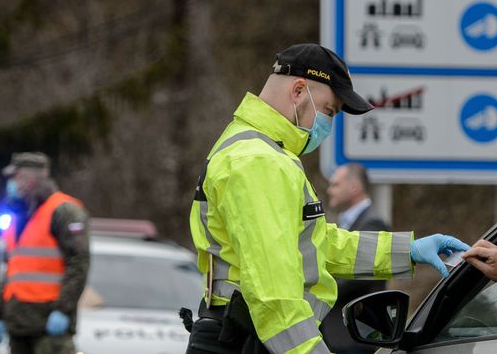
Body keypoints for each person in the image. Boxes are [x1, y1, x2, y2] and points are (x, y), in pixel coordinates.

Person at [185, 44, 469, 354]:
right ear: (298, 91)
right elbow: (274, 293)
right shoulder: (259, 161)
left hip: (246, 337)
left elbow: (318, 244)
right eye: (329, 110)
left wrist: (407, 251)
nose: (328, 125)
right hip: (247, 341)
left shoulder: (259, 151)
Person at [0, 152, 91, 354]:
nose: (10, 184)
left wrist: (63, 310)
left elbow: (78, 263)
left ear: (29, 180)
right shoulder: (16, 216)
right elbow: (11, 271)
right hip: (19, 325)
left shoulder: (64, 212)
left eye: (14, 178)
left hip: (48, 326)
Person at [321, 164, 387, 353]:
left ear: (354, 187)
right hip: (342, 334)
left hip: (354, 335)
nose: (329, 190)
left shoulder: (372, 223)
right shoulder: (349, 222)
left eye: (335, 185)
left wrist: (318, 285)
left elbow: (358, 273)